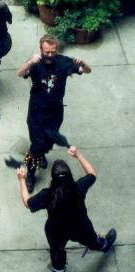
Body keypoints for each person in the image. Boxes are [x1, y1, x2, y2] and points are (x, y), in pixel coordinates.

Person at [16, 146, 117, 272]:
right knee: (92, 239)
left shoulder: (47, 194)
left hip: (56, 230)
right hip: (80, 226)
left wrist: (21, 180)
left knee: (57, 251)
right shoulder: (78, 188)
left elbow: (27, 203)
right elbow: (92, 174)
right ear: (70, 175)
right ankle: (104, 245)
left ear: (53, 178)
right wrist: (78, 155)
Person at [17, 34, 91, 192]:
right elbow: (20, 73)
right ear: (41, 50)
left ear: (56, 50)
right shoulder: (35, 62)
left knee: (48, 141)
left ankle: (41, 153)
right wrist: (31, 62)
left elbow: (87, 70)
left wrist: (83, 64)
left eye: (53, 52)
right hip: (37, 110)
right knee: (36, 145)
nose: (50, 55)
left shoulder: (64, 62)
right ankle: (30, 173)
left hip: (55, 111)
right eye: (47, 52)